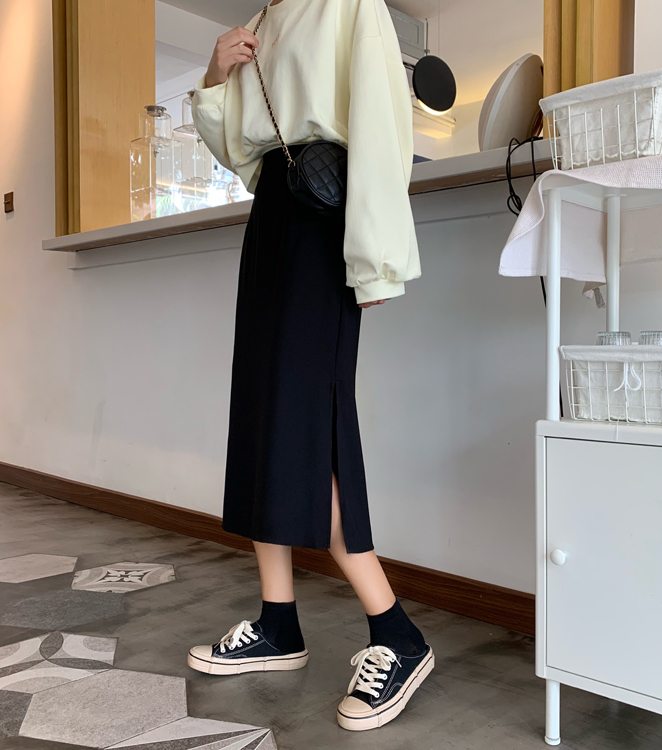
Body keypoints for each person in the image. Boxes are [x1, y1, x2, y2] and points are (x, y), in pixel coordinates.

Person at [186, 0, 428, 732]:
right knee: (263, 416)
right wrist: (215, 73)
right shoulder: (265, 16)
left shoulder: (349, 5)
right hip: (272, 213)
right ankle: (278, 621)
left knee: (311, 421)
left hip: (326, 216)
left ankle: (397, 632)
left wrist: (376, 257)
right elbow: (239, 148)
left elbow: (383, 124)